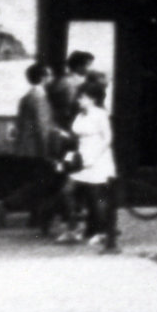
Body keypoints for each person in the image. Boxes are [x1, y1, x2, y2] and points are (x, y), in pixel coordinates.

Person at [11, 62, 67, 239]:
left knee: (38, 180)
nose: (51, 78)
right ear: (43, 77)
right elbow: (42, 127)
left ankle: (32, 214)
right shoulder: (39, 97)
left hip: (27, 148)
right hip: (37, 148)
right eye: (49, 75)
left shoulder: (28, 96)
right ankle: (30, 213)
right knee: (44, 181)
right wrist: (49, 152)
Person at [67, 73, 118, 250]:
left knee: (97, 196)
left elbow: (107, 138)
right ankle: (80, 227)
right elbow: (77, 135)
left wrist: (94, 158)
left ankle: (102, 231)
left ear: (92, 99)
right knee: (69, 190)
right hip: (81, 157)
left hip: (97, 158)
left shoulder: (100, 115)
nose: (79, 100)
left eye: (82, 98)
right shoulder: (80, 115)